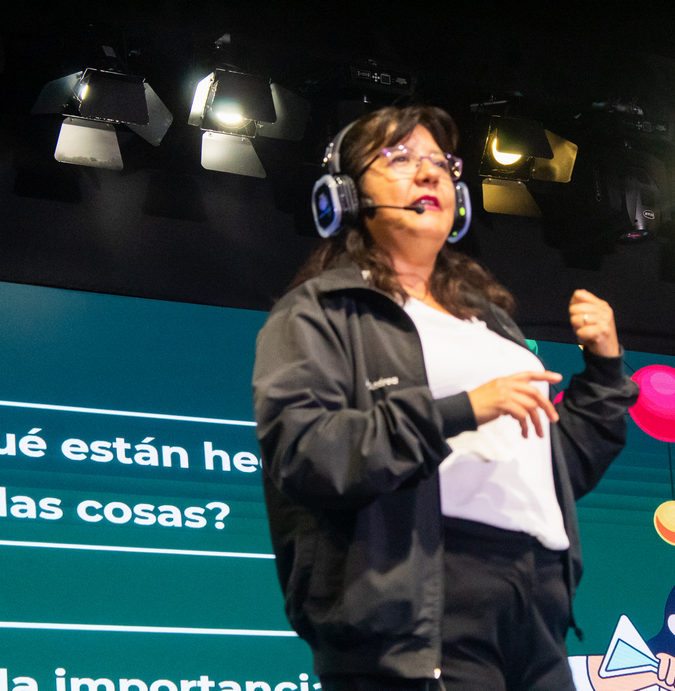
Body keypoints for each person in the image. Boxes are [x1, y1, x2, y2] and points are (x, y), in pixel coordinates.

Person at [252, 105, 639, 691]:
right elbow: (307, 454)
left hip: (535, 600)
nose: (430, 173)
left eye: (440, 163)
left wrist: (606, 370)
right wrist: (462, 408)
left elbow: (560, 467)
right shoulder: (321, 312)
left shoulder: (491, 325)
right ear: (346, 196)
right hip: (421, 599)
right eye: (399, 159)